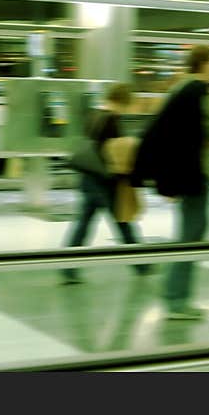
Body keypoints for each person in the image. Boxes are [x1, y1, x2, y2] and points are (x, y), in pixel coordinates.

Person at [133, 45, 209, 320]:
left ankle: (174, 294)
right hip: (192, 177)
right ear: (205, 63)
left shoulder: (182, 90)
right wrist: (171, 182)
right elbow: (185, 139)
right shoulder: (195, 91)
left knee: (193, 233)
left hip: (188, 176)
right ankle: (176, 300)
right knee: (192, 236)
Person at [62, 83, 148, 285]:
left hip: (88, 178)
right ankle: (142, 262)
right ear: (123, 101)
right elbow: (114, 151)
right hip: (104, 181)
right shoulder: (111, 119)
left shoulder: (94, 114)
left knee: (83, 225)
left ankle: (67, 267)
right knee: (123, 221)